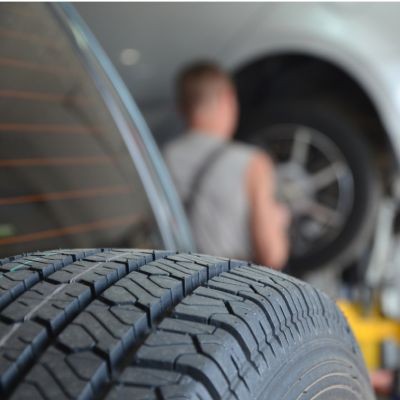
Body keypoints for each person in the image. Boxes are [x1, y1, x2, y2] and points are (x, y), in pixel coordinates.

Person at [164, 61, 290, 269]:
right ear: (228, 99)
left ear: (181, 107)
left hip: (170, 280)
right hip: (226, 288)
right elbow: (271, 254)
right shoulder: (252, 163)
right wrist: (278, 222)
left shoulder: (161, 158)